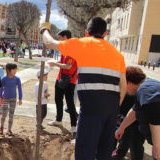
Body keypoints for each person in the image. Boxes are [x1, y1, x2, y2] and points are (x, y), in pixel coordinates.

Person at [40, 17, 127, 160]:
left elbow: (49, 43)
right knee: (104, 153)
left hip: (91, 108)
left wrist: (44, 29)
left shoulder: (82, 44)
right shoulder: (117, 54)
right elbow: (123, 85)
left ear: (87, 32)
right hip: (111, 110)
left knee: (84, 151)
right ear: (105, 33)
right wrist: (115, 107)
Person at [116, 66, 160, 160]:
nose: (124, 89)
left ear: (129, 83)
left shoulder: (145, 90)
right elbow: (134, 112)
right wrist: (121, 128)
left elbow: (155, 116)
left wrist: (157, 145)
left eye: (123, 85)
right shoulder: (144, 89)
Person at [47, 30, 78, 134]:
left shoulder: (73, 50)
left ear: (65, 37)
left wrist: (55, 64)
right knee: (58, 100)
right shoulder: (64, 50)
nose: (59, 41)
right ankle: (58, 120)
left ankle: (74, 125)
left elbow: (68, 66)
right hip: (60, 79)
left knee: (70, 104)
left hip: (70, 81)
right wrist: (54, 62)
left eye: (60, 38)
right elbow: (62, 62)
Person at [111, 93, 145, 160]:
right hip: (136, 117)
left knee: (133, 142)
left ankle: (119, 154)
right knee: (132, 140)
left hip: (131, 117)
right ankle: (119, 154)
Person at [0, 63, 22, 136]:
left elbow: (20, 89)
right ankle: (1, 127)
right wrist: (0, 97)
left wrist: (20, 98)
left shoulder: (17, 79)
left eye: (16, 69)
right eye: (14, 69)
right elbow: (1, 88)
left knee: (11, 115)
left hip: (13, 99)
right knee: (4, 114)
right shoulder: (4, 78)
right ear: (8, 70)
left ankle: (9, 130)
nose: (16, 70)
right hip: (5, 98)